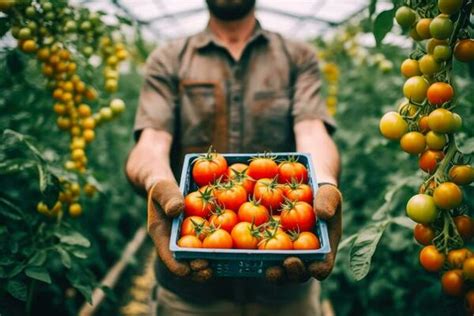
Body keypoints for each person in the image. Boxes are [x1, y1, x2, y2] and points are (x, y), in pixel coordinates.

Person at [125, 0, 342, 315]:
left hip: (286, 287)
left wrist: (324, 182)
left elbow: (312, 131)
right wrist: (157, 181)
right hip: (189, 292)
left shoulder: (297, 56)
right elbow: (151, 143)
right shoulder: (169, 59)